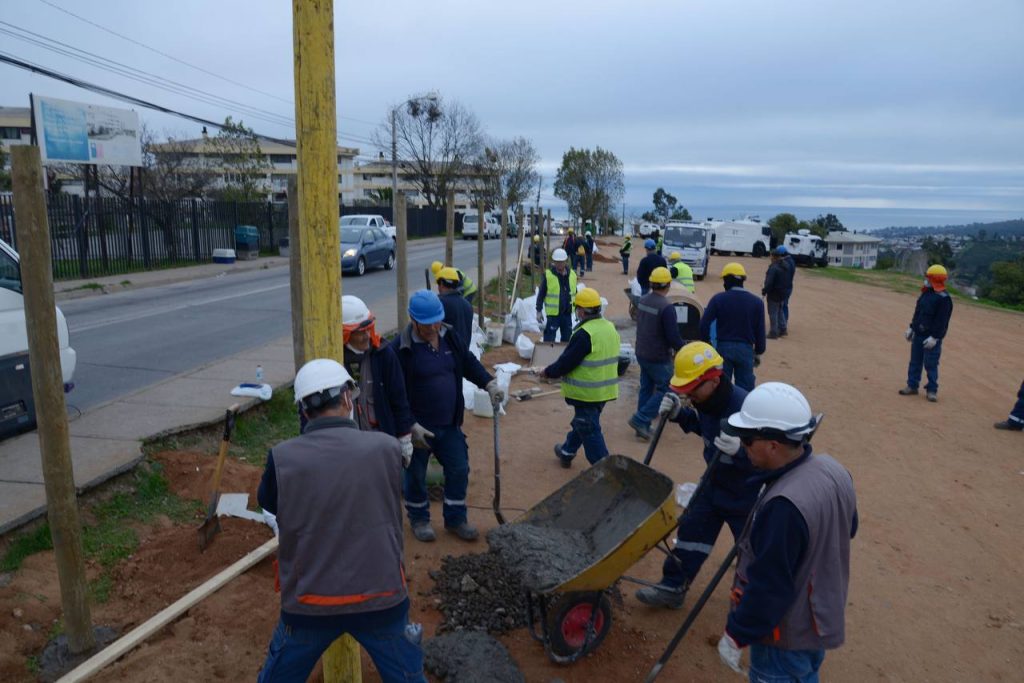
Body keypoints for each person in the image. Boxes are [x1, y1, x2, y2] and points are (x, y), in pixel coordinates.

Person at [256, 359, 426, 683]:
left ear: (303, 411)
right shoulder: (388, 448)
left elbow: (270, 504)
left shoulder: (282, 457)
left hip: (309, 603)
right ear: (349, 399)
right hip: (382, 597)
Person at [717, 382, 857, 682]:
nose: (742, 446)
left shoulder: (783, 506)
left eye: (747, 439)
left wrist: (736, 633)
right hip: (818, 619)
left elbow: (769, 586)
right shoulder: (833, 470)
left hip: (784, 636)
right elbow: (849, 526)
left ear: (772, 445)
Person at [635, 342, 757, 609]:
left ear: (713, 380)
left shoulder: (747, 407)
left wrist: (741, 453)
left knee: (753, 553)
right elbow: (703, 427)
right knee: (691, 535)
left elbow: (770, 461)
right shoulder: (708, 400)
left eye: (692, 389)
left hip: (747, 494)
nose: (689, 395)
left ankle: (752, 609)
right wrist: (681, 414)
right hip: (713, 484)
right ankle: (672, 587)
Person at [395, 290, 503, 542]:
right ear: (413, 319)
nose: (434, 326)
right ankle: (419, 519)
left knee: (458, 468)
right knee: (415, 475)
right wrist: (409, 425)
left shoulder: (449, 335)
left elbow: (466, 362)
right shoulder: (400, 350)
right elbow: (394, 393)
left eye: (437, 320)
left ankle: (455, 519)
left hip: (449, 423)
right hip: (419, 428)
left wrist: (488, 383)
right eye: (427, 322)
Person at [541, 287, 620, 468]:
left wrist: (548, 372)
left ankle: (606, 470)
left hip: (586, 393)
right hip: (604, 390)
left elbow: (566, 362)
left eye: (577, 309)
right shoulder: (609, 327)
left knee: (589, 427)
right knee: (584, 422)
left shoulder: (584, 334)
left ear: (582, 311)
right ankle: (567, 451)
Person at [340, 296, 416, 456]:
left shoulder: (383, 355)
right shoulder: (334, 362)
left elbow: (399, 398)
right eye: (359, 332)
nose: (367, 336)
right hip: (347, 449)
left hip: (380, 445)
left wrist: (404, 437)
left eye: (368, 329)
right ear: (344, 335)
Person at [628, 267, 685, 441]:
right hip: (658, 356)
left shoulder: (643, 300)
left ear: (652, 283)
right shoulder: (666, 307)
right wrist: (683, 349)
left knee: (646, 387)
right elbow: (673, 336)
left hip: (642, 352)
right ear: (668, 285)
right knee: (667, 388)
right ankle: (640, 419)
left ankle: (642, 426)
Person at [700, 262, 766, 391]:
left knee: (722, 388)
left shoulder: (718, 299)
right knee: (745, 389)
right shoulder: (757, 302)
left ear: (726, 280)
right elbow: (760, 330)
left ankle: (725, 411)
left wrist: (708, 344)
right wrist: (759, 351)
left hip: (723, 349)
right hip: (746, 350)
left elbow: (704, 324)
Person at [899, 264, 953, 403]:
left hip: (931, 337)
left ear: (935, 279)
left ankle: (932, 390)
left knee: (931, 364)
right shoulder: (926, 293)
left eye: (928, 278)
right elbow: (918, 312)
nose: (926, 280)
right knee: (915, 361)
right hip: (919, 333)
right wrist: (911, 327)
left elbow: (942, 321)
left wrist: (935, 337)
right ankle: (912, 385)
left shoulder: (944, 299)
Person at [536, 248, 577, 342]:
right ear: (554, 262)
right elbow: (541, 294)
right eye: (557, 262)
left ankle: (564, 356)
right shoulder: (548, 275)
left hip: (567, 314)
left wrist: (578, 308)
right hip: (553, 315)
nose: (559, 264)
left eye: (561, 262)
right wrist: (538, 310)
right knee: (549, 339)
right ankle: (548, 355)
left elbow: (575, 293)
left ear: (566, 261)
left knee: (567, 339)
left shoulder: (572, 275)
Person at [435, 267, 473, 345]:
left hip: (447, 354)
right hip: (464, 353)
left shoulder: (439, 303)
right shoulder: (467, 305)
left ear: (442, 283)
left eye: (438, 284)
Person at [762, 249, 791, 339]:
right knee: (780, 310)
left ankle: (773, 332)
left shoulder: (774, 268)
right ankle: (783, 328)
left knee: (773, 312)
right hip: (783, 293)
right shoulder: (786, 266)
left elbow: (769, 282)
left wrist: (765, 290)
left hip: (774, 293)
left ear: (774, 257)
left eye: (771, 256)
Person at [777, 245, 796, 333]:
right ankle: (783, 322)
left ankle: (782, 324)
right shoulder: (791, 261)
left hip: (785, 287)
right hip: (789, 286)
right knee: (784, 304)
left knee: (782, 305)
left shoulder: (786, 263)